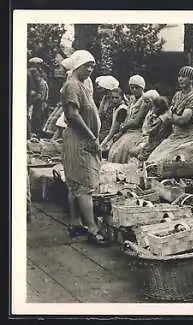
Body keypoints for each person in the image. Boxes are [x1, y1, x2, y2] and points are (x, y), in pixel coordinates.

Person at [59, 50, 106, 245]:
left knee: (76, 185)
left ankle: (75, 222)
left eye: (92, 65)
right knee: (85, 186)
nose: (90, 69)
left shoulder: (80, 85)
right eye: (87, 65)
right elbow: (73, 115)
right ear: (77, 65)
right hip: (80, 141)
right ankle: (92, 229)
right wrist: (92, 137)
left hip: (80, 140)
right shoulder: (72, 85)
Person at [146, 66, 193, 164]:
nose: (180, 79)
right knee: (153, 159)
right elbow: (171, 114)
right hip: (176, 136)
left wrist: (170, 117)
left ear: (191, 80)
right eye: (179, 76)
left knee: (167, 162)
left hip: (189, 138)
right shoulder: (178, 95)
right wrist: (170, 117)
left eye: (184, 76)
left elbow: (183, 120)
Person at [107, 75, 150, 163]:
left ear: (142, 88)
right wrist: (120, 132)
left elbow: (136, 121)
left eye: (137, 88)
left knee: (123, 149)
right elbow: (127, 117)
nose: (134, 90)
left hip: (138, 131)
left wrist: (123, 128)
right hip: (128, 130)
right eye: (132, 87)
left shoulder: (145, 100)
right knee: (114, 148)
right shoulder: (132, 98)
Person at [129, 96, 172, 162]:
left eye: (153, 107)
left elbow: (153, 132)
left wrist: (148, 132)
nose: (152, 109)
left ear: (158, 108)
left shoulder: (160, 120)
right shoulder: (165, 116)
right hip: (158, 140)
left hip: (155, 142)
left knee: (137, 153)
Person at [99, 88, 129, 157]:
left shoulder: (122, 109)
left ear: (121, 98)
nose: (114, 100)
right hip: (114, 135)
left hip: (119, 135)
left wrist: (105, 141)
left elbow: (114, 129)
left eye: (117, 98)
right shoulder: (115, 107)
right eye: (112, 98)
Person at [95, 75, 120, 142]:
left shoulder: (115, 101)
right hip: (102, 128)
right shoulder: (105, 98)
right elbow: (99, 114)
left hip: (110, 129)